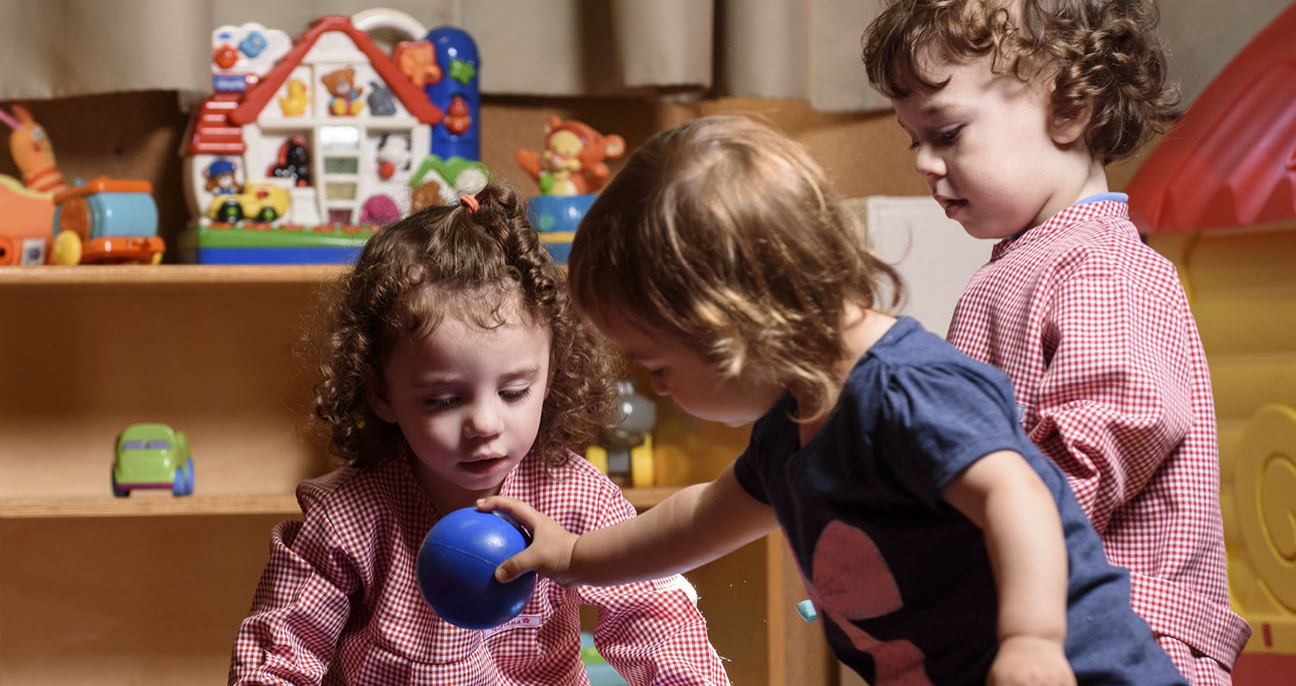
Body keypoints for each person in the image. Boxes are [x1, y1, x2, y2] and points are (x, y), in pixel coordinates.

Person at [481, 115, 1184, 685]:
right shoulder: (792, 425)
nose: (657, 386)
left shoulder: (905, 391)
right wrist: (574, 556)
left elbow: (1019, 495)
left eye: (660, 365)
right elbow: (698, 518)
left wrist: (1032, 641)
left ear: (737, 326)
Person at [861, 1, 1251, 681]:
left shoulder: (1099, 264)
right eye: (912, 139)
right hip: (1056, 618)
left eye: (946, 133)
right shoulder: (1024, 265)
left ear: (1070, 110)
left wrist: (976, 534)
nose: (924, 162)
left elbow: (1121, 422)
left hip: (1123, 632)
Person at [229, 184, 731, 685]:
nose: (486, 424)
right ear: (381, 392)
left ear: (551, 374)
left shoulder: (577, 498)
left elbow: (656, 619)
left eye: (514, 391)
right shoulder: (345, 520)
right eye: (444, 400)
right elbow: (277, 655)